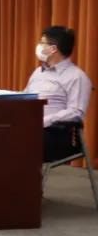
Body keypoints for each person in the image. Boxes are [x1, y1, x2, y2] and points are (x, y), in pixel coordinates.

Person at [23, 26, 94, 162]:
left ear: (53, 49)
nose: (39, 46)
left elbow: (76, 112)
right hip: (28, 126)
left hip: (54, 133)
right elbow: (24, 97)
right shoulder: (38, 72)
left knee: (12, 139)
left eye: (42, 42)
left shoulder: (77, 77)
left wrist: (44, 121)